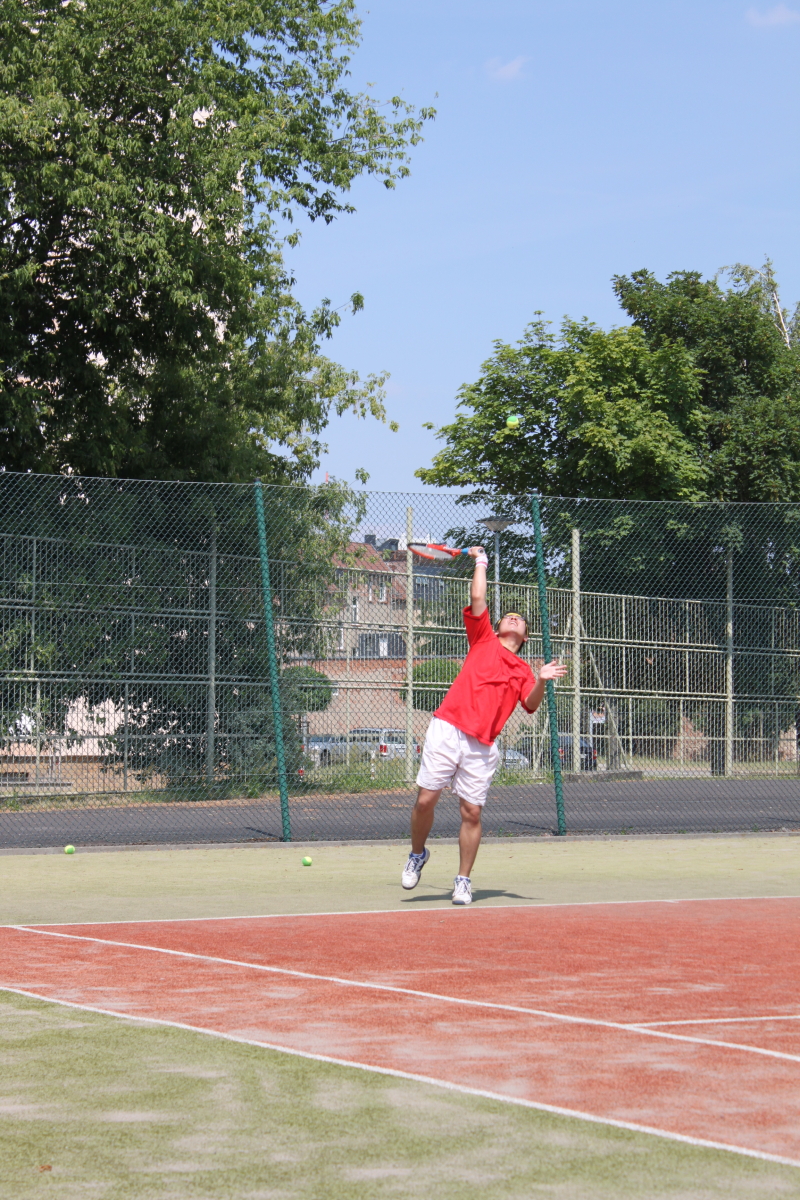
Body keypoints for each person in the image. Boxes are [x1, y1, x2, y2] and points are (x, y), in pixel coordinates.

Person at [401, 544, 567, 905]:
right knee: (425, 800)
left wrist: (541, 680)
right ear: (498, 625)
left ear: (525, 636)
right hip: (447, 727)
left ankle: (463, 880)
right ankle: (417, 853)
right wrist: (481, 560)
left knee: (472, 812)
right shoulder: (483, 638)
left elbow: (531, 704)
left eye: (519, 619)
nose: (513, 618)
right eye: (508, 616)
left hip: (482, 745)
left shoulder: (524, 671)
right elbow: (478, 596)